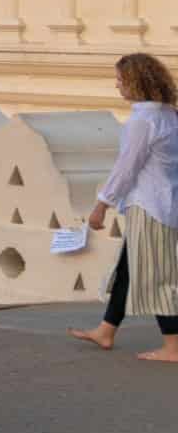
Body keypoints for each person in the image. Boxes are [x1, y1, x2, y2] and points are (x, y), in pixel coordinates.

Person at [71, 53, 178, 362]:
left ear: (137, 81)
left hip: (149, 206)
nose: (117, 85)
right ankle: (106, 330)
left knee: (157, 277)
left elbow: (126, 168)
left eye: (120, 80)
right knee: (128, 269)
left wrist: (101, 205)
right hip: (164, 203)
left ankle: (173, 347)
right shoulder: (169, 115)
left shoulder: (143, 121)